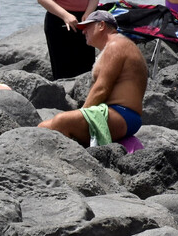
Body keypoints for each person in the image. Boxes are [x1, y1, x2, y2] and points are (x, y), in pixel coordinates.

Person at [38, 11, 147, 146]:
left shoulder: (116, 45)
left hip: (123, 115)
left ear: (101, 25)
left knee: (61, 121)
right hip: (118, 114)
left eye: (87, 27)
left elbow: (102, 88)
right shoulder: (114, 46)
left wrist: (81, 113)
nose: (83, 32)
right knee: (43, 126)